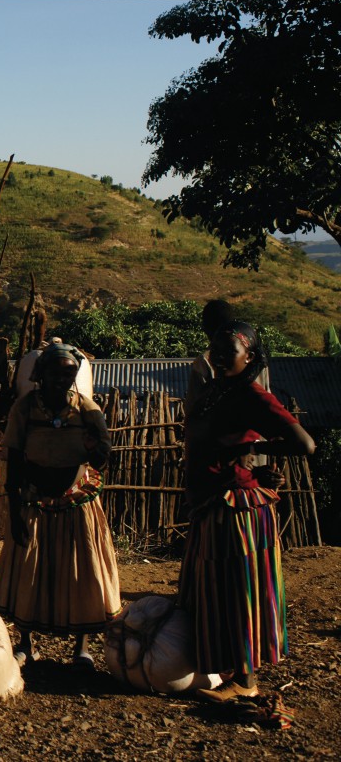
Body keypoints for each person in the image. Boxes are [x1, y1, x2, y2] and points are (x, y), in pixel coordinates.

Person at [180, 320, 314, 701]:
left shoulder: (251, 395)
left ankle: (246, 682)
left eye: (230, 349)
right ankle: (227, 670)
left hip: (237, 510)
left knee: (238, 591)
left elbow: (304, 444)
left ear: (249, 357)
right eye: (216, 348)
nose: (220, 355)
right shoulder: (215, 391)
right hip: (211, 505)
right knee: (216, 590)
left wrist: (250, 453)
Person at [0, 342, 120, 668]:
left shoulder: (87, 410)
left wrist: (95, 448)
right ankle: (26, 642)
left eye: (68, 373)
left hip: (75, 502)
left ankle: (82, 648)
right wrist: (14, 509)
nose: (61, 379)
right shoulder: (24, 409)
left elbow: (103, 458)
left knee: (81, 573)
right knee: (30, 573)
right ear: (40, 374)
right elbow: (15, 459)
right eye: (55, 372)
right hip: (34, 499)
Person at [185, 300, 270, 414]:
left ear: (207, 328)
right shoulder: (258, 359)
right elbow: (268, 399)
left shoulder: (204, 361)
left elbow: (193, 409)